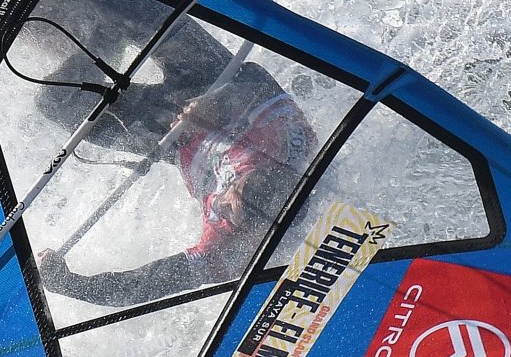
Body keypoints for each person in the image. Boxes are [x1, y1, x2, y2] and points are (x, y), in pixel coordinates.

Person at [36, 59, 316, 309]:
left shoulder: (226, 252)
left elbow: (141, 286)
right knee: (127, 8)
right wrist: (219, 103)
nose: (224, 204)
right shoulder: (290, 139)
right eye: (237, 190)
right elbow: (254, 74)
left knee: (53, 102)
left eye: (235, 215)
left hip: (166, 138)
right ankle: (104, 37)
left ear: (256, 231)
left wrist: (68, 284)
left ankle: (96, 48)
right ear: (265, 168)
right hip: (209, 78)